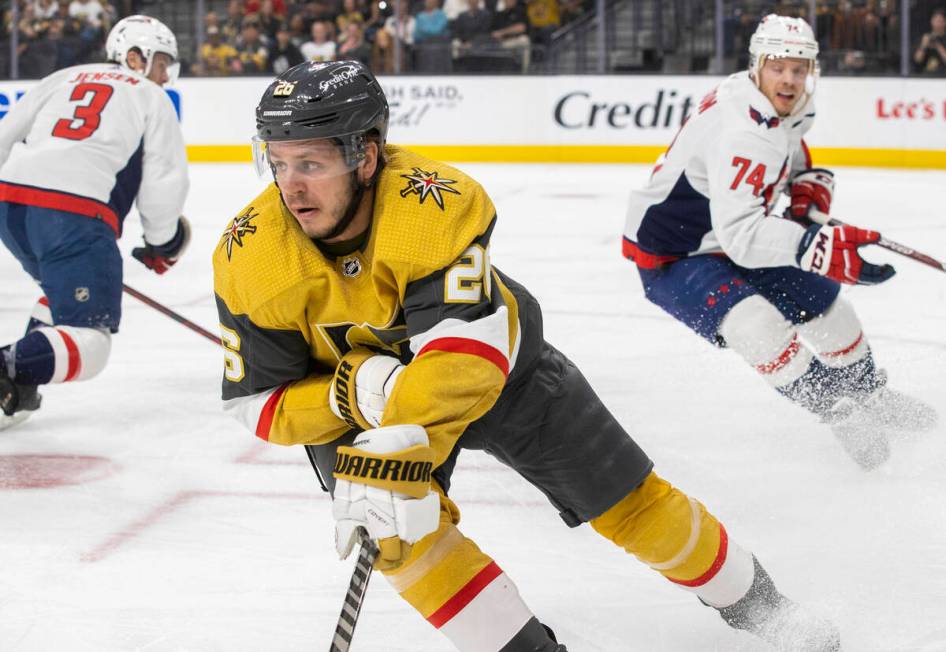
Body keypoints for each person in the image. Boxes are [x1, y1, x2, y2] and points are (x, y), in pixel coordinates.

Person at [212, 60, 840, 651]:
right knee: (399, 531)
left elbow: (467, 354)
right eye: (280, 162)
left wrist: (402, 435)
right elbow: (256, 404)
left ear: (367, 157)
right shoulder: (251, 255)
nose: (291, 187)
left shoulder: (432, 205)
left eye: (312, 164)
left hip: (502, 376)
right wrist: (345, 397)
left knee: (628, 501)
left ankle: (764, 610)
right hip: (361, 414)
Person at [622, 14, 936, 470]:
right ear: (757, 66)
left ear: (812, 71)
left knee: (829, 308)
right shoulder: (742, 132)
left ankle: (870, 395)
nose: (788, 79)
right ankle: (838, 409)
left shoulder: (772, 102)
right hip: (674, 254)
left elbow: (787, 143)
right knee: (756, 326)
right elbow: (742, 235)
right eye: (777, 67)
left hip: (731, 232)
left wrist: (804, 183)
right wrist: (819, 243)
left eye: (799, 67)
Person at [0, 15, 190, 430]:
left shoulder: (63, 77)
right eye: (161, 64)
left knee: (61, 293)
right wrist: (162, 243)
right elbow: (163, 182)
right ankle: (11, 368)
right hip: (73, 216)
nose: (164, 76)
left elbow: (5, 133)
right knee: (91, 342)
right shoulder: (151, 98)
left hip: (10, 208)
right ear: (135, 57)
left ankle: (17, 383)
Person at [913, 8, 946, 74]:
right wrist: (924, 45)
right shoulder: (924, 38)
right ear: (931, 21)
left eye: (940, 21)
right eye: (936, 20)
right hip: (925, 76)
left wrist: (938, 46)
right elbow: (917, 60)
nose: (938, 24)